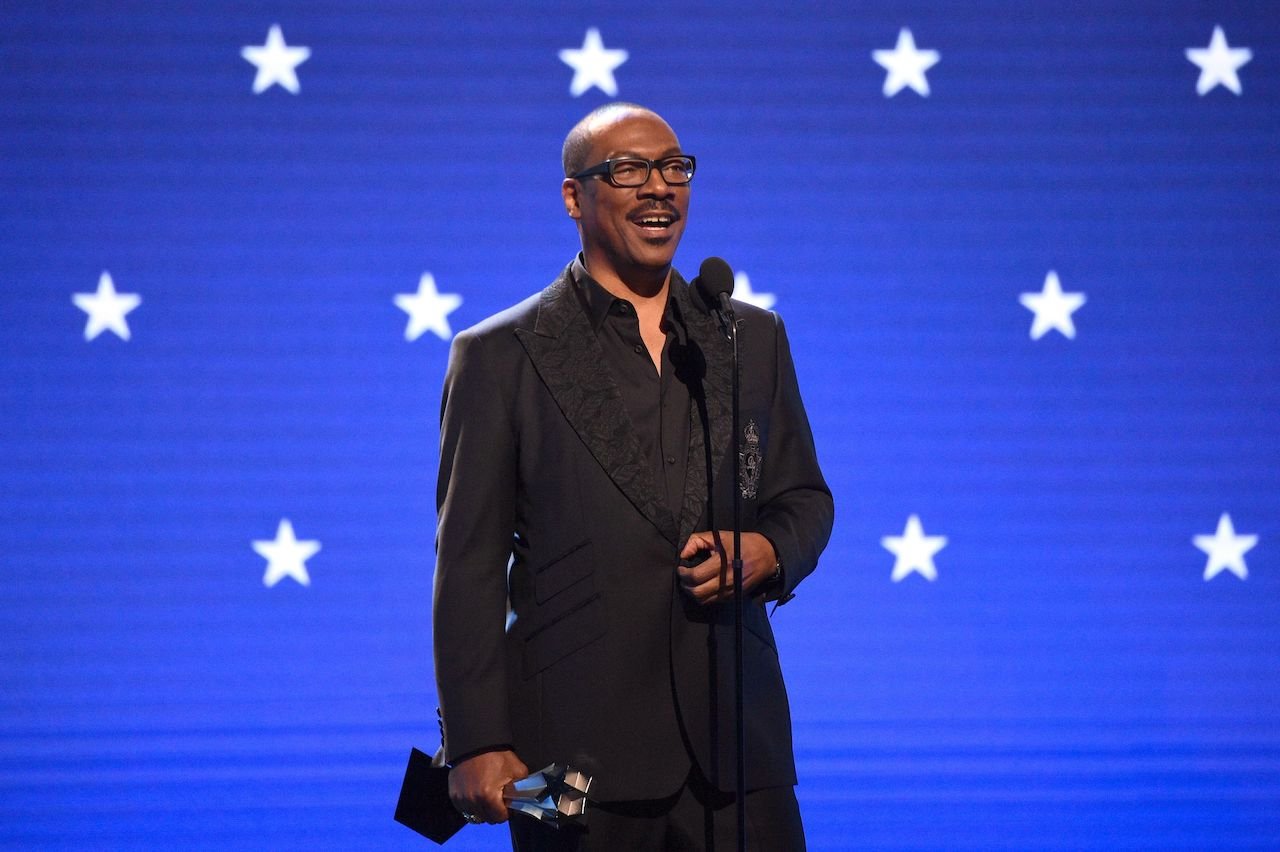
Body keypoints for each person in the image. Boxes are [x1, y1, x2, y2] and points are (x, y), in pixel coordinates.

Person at [432, 102, 833, 851]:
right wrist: (476, 738)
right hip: (570, 765)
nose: (659, 188)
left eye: (675, 169)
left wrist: (769, 553)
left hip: (738, 749)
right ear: (574, 197)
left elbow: (804, 498)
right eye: (629, 170)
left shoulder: (751, 336)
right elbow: (468, 563)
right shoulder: (499, 355)